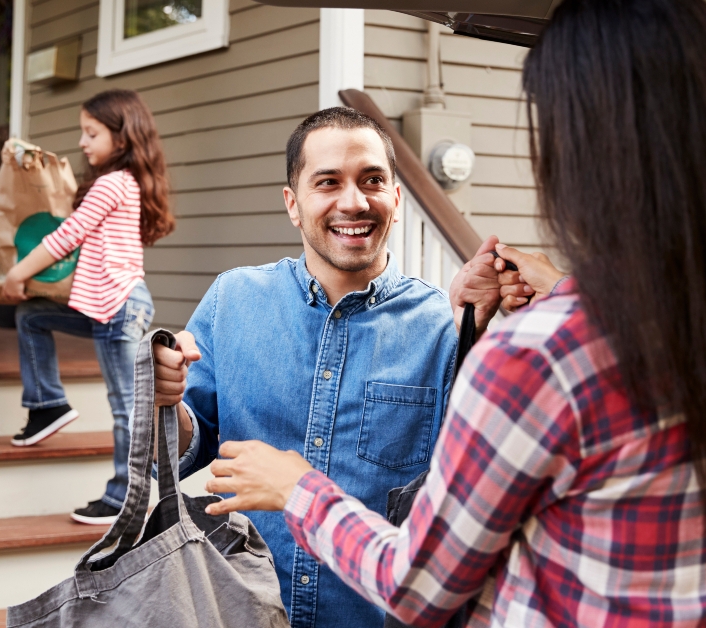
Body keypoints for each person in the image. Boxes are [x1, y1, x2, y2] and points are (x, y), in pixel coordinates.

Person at [201, 0, 706, 626]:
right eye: (327, 182)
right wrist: (564, 291)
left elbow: (419, 587)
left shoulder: (534, 355)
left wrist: (295, 489)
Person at [149, 107, 530, 628]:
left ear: (396, 198)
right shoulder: (232, 298)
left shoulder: (444, 327)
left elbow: (472, 494)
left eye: (372, 179)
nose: (353, 201)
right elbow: (179, 451)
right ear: (293, 203)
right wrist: (159, 401)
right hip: (243, 610)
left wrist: (494, 335)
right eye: (327, 182)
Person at [1, 89, 174, 526]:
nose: (82, 141)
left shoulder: (114, 182)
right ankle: (48, 404)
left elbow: (66, 237)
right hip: (105, 305)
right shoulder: (121, 182)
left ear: (121, 138)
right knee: (30, 316)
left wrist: (18, 273)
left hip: (119, 308)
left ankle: (125, 498)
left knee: (125, 406)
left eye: (91, 133)